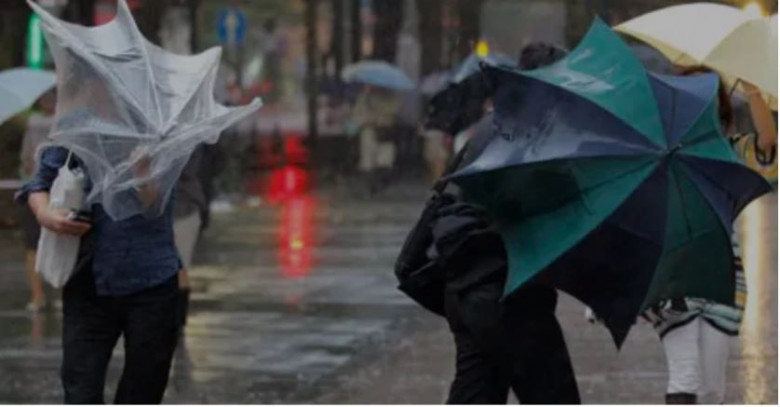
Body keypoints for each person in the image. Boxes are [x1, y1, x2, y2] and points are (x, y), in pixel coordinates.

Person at [433, 42, 580, 404]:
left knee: (476, 391)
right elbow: (542, 216)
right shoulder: (532, 137)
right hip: (511, 298)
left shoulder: (493, 127)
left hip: (468, 292)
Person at [644, 66, 777, 405]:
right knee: (685, 375)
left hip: (722, 276)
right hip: (673, 276)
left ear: (719, 108)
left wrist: (753, 91)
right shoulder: (661, 153)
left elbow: (767, 145)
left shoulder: (728, 151)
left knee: (712, 389)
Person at [18, 145, 181, 404]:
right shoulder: (78, 132)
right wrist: (46, 215)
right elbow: (38, 185)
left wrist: (143, 172)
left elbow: (156, 207)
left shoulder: (158, 136)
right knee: (80, 390)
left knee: (143, 390)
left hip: (151, 280)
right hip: (87, 278)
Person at [18, 90, 56, 312]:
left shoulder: (32, 123)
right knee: (60, 244)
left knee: (33, 246)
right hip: (58, 190)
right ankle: (48, 295)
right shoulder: (68, 120)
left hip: (35, 188)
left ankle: (39, 296)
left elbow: (25, 158)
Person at [173, 146, 207, 328]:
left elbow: (188, 170)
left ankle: (178, 322)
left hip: (183, 209)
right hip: (159, 212)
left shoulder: (186, 141)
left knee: (180, 266)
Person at [353, 85, 401, 195]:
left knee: (384, 160)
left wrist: (379, 115)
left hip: (384, 132)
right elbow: (358, 114)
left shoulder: (390, 97)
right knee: (368, 160)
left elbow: (394, 111)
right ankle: (371, 185)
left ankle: (380, 182)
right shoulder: (363, 98)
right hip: (369, 130)